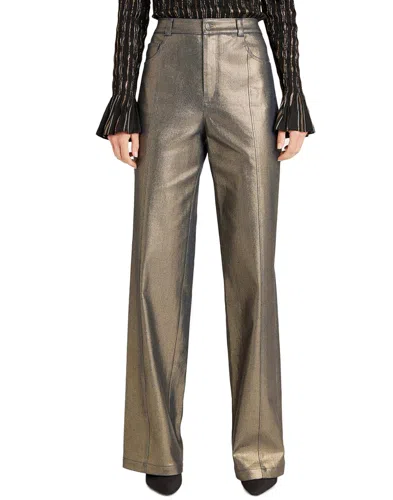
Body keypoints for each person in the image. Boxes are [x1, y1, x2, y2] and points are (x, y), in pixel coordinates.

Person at [97, 0, 314, 496]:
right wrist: (123, 99)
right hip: (168, 62)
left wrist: (294, 95)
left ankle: (259, 449)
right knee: (154, 265)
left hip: (245, 61)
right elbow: (132, 6)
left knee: (253, 264)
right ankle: (155, 446)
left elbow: (281, 5)